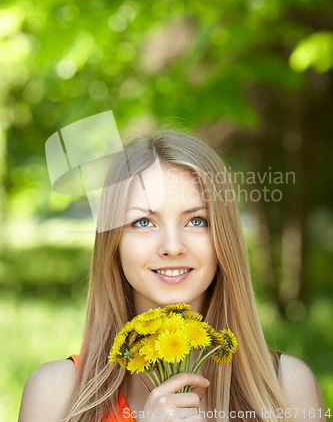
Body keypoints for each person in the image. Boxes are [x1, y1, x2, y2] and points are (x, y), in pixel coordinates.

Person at [18, 129, 326, 422]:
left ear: (224, 239)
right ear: (114, 243)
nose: (172, 247)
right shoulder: (55, 394)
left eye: (196, 221)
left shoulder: (287, 389)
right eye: (143, 222)